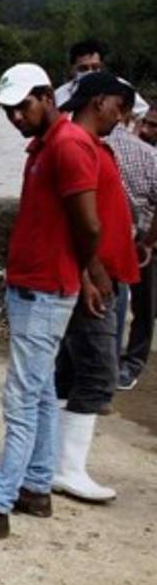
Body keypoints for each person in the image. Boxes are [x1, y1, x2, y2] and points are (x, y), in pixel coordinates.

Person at [0, 63, 102, 548]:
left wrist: (87, 274)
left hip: (46, 291)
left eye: (23, 106)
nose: (16, 117)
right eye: (9, 110)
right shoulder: (43, 146)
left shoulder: (68, 146)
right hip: (35, 287)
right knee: (40, 392)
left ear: (47, 96)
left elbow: (88, 224)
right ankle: (35, 487)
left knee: (19, 400)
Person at [49, 72, 140, 503]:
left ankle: (55, 462)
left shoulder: (89, 144)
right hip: (94, 278)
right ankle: (67, 468)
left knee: (71, 370)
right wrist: (90, 275)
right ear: (99, 102)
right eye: (119, 108)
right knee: (100, 373)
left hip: (102, 274)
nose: (121, 119)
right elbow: (74, 222)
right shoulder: (77, 145)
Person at [107, 99, 157, 391]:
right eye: (145, 123)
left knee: (145, 304)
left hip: (149, 238)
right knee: (124, 298)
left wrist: (149, 241)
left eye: (154, 126)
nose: (147, 130)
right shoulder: (139, 152)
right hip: (134, 233)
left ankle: (134, 363)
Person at [55, 40, 149, 120]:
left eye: (95, 67)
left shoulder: (119, 86)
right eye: (83, 68)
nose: (90, 72)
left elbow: (143, 112)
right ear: (72, 69)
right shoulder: (60, 94)